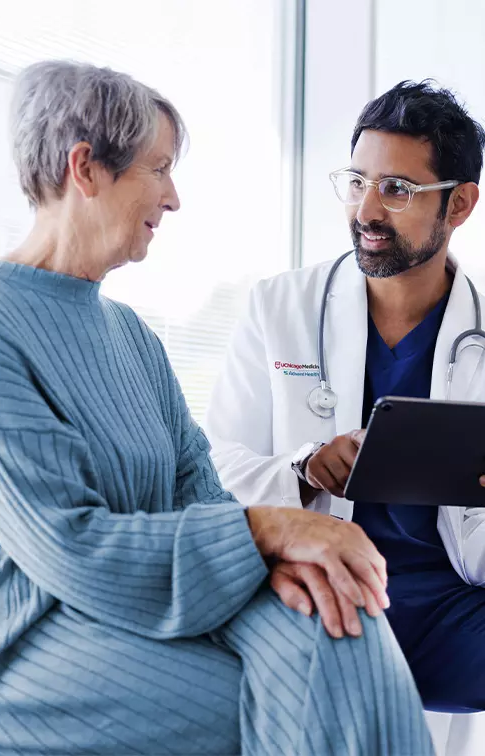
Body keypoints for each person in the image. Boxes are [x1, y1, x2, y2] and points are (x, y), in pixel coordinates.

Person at [0, 61, 434, 756]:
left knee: (348, 630)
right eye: (158, 168)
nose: (174, 198)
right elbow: (70, 547)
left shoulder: (133, 337)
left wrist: (286, 555)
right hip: (33, 632)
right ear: (86, 169)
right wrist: (268, 533)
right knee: (296, 697)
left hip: (161, 600)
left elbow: (199, 493)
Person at [206, 80, 485, 719]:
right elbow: (215, 469)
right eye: (357, 182)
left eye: (398, 189)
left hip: (452, 607)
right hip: (320, 587)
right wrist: (301, 472)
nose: (366, 210)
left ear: (461, 204)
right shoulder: (279, 308)